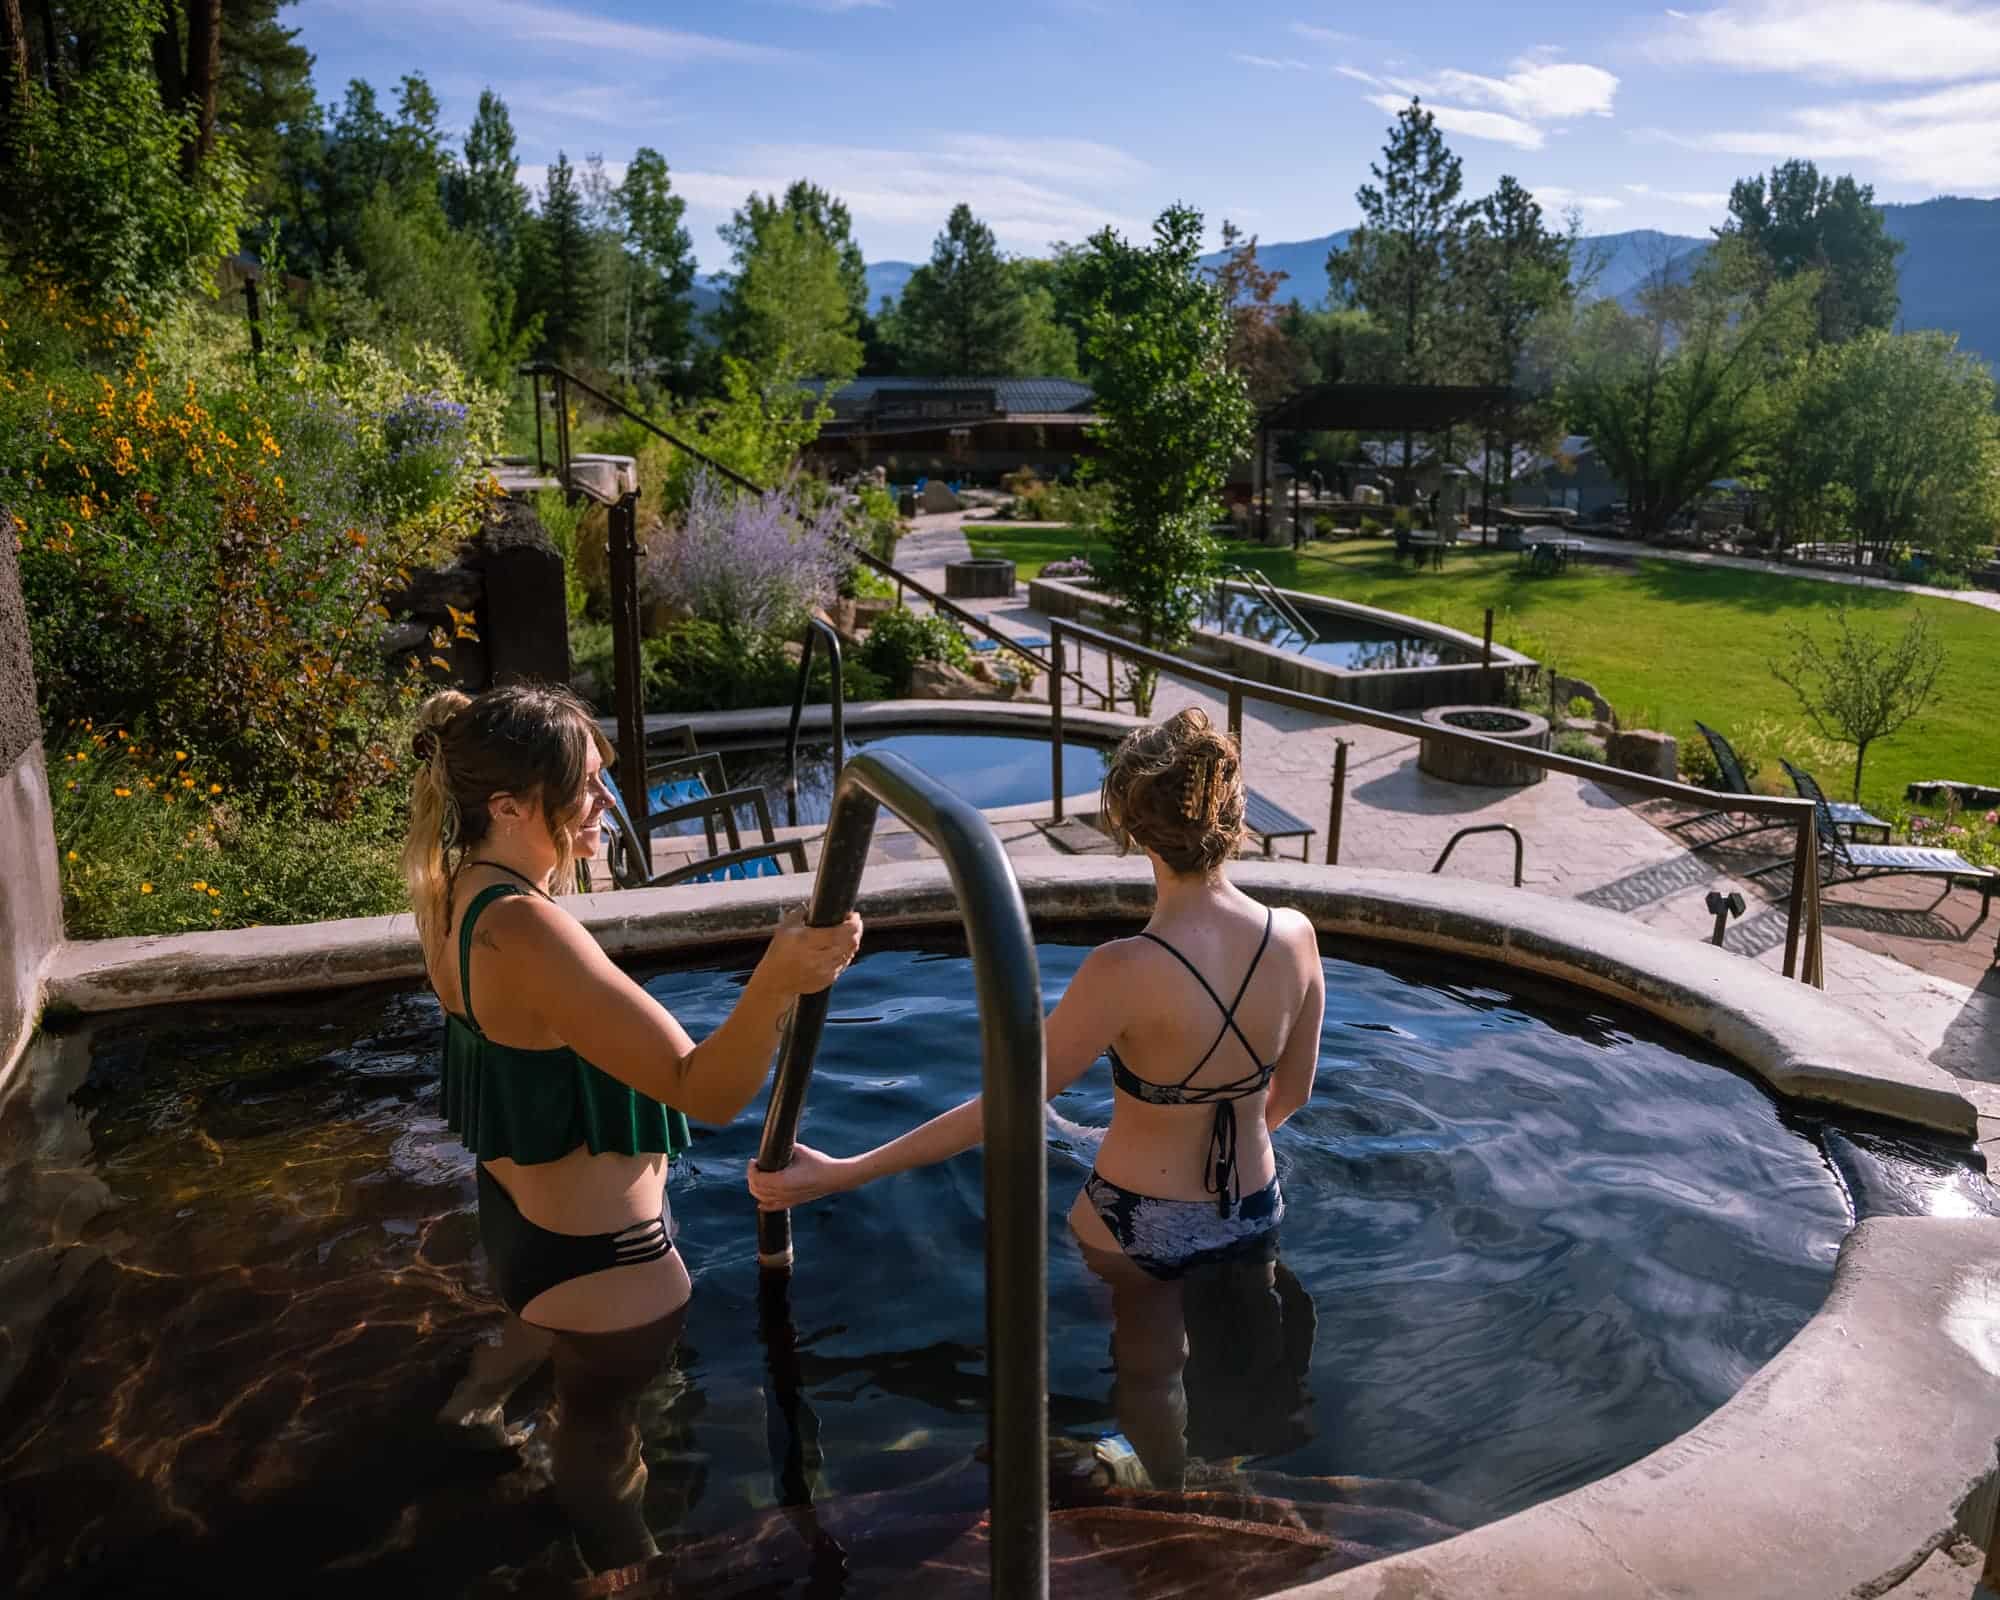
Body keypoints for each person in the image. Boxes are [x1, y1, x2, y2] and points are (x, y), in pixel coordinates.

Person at [746, 708, 1325, 1484]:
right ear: (1235, 812)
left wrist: (840, 1172)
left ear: (1130, 828)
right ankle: (1236, 1475)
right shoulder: (1295, 935)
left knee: (1150, 1375)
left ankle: (1175, 1500)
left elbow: (1002, 1108)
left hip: (1137, 1219)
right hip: (1254, 1204)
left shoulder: (1122, 969)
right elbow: (1290, 1094)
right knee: (1241, 1353)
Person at [404, 685, 861, 1572]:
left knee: (568, 1367)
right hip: (608, 1269)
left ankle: (474, 1404)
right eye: (585, 788)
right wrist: (778, 977)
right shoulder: (526, 931)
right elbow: (705, 1091)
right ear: (508, 807)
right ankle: (627, 1571)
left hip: (526, 1229)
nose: (607, 805)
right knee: (602, 1432)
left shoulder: (453, 889)